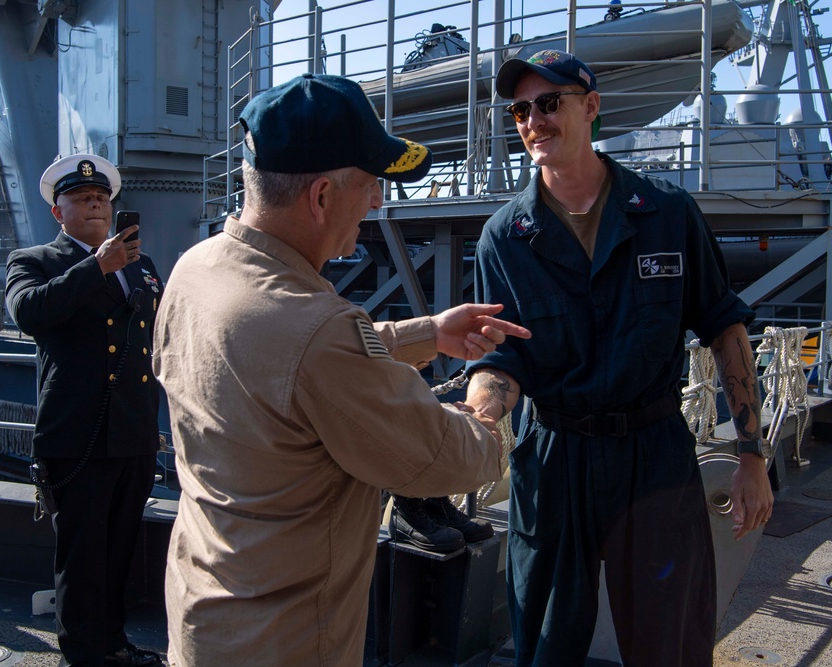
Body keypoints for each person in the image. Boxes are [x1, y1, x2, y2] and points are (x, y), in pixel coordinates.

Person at [154, 72, 531, 667]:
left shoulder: (195, 271)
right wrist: (488, 411)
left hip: (206, 613)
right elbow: (440, 458)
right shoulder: (318, 331)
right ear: (322, 196)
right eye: (370, 184)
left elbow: (283, 361)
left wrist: (426, 333)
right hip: (289, 642)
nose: (378, 200)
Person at [463, 50, 775, 667]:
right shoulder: (504, 236)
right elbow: (501, 363)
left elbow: (725, 329)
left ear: (592, 107)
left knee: (672, 644)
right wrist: (475, 421)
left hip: (652, 454)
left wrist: (752, 456)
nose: (533, 120)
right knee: (544, 645)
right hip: (553, 460)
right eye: (521, 109)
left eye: (550, 103)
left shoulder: (667, 213)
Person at [6, 153, 164, 667]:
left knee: (119, 552)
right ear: (59, 212)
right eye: (80, 199)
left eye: (100, 198)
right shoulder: (33, 261)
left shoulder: (141, 265)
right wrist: (96, 268)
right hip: (76, 435)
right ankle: (83, 654)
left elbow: (158, 333)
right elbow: (29, 312)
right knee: (82, 557)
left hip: (133, 434)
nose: (94, 205)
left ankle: (114, 644)